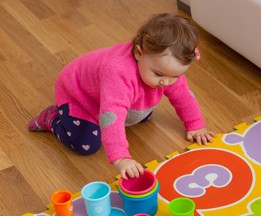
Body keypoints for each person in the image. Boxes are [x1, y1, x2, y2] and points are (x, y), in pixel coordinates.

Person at [28, 13, 215, 180]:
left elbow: (184, 96)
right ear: (139, 52)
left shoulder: (165, 71)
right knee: (86, 145)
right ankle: (53, 118)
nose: (166, 82)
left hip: (108, 95)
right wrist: (121, 158)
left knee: (142, 116)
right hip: (79, 97)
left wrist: (196, 125)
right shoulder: (117, 71)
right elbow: (112, 115)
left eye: (174, 76)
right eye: (159, 74)